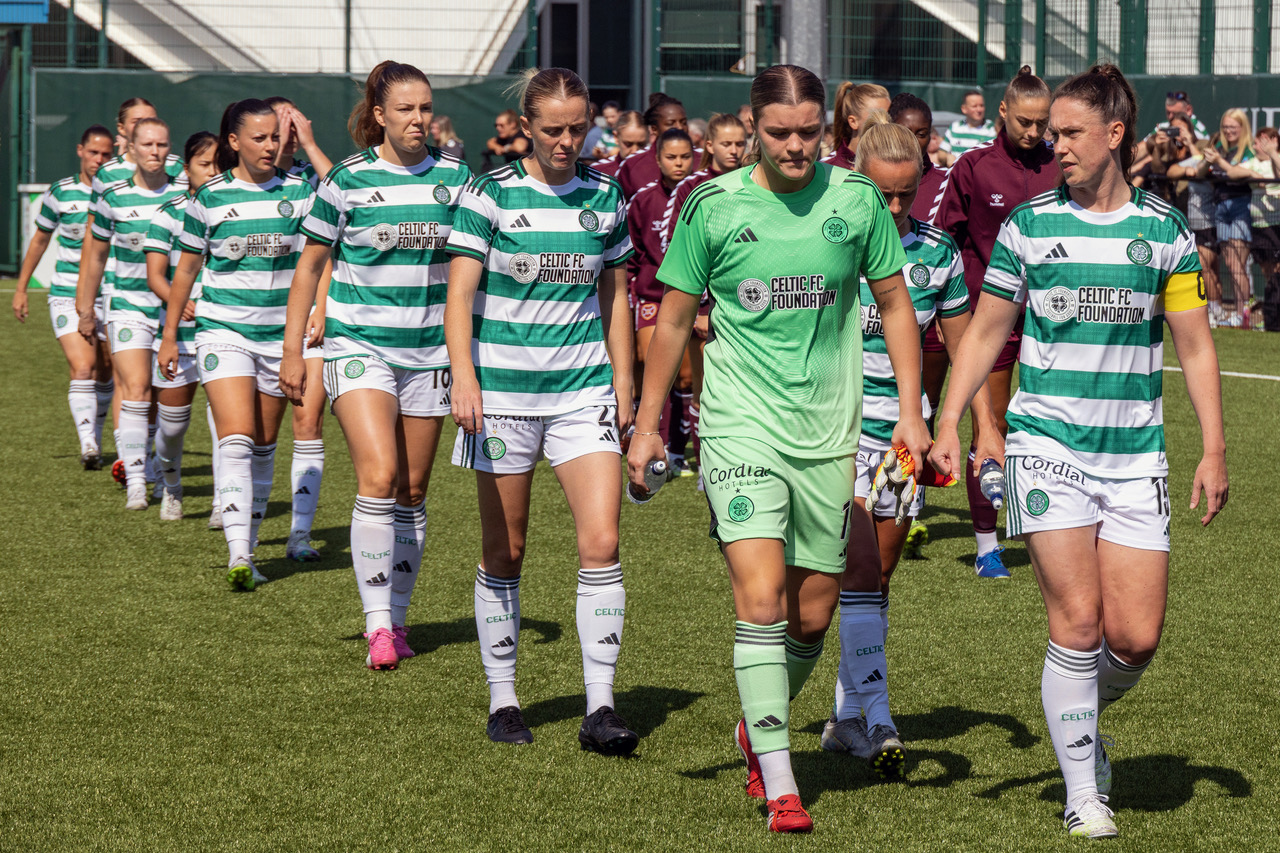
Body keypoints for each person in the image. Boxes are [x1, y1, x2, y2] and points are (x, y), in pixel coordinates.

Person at [630, 64, 930, 833]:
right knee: (760, 597)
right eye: (778, 133)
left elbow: (895, 304)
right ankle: (781, 778)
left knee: (812, 614)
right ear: (751, 126)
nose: (795, 147)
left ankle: (755, 725)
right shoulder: (712, 206)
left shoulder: (856, 200)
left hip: (828, 434)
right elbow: (672, 318)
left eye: (807, 132)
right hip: (739, 425)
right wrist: (648, 422)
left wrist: (911, 412)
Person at [931, 64, 1228, 840]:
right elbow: (986, 331)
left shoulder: (1164, 231)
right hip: (1046, 446)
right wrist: (949, 420)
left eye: (1069, 133)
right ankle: (1083, 791)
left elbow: (1195, 347)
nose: (1054, 145)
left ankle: (1081, 722)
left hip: (1135, 457)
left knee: (1134, 639)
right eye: (1051, 132)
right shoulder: (1029, 226)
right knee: (1078, 621)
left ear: (1114, 134)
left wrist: (1214, 447)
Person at [445, 67, 638, 755]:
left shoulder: (606, 196)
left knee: (602, 542)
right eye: (552, 129)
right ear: (526, 126)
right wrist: (463, 376)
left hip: (583, 393)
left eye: (577, 128)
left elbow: (615, 295)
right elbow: (458, 295)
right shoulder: (488, 194)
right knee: (508, 549)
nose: (566, 141)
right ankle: (504, 700)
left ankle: (600, 706)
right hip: (502, 397)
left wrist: (624, 381)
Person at [819, 116, 1002, 774]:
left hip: (903, 438)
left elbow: (964, 345)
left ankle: (846, 717)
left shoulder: (937, 254)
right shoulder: (825, 241)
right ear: (856, 179)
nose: (895, 207)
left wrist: (983, 425)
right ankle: (878, 717)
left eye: (906, 193)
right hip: (830, 434)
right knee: (854, 575)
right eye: (883, 193)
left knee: (878, 578)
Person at [282, 61, 470, 669]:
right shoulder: (347, 179)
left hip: (432, 353)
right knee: (381, 475)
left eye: (426, 108)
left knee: (412, 490)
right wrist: (293, 350)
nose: (419, 119)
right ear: (379, 115)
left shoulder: (458, 179)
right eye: (406, 109)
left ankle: (401, 616)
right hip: (359, 346)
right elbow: (310, 266)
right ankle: (378, 627)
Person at [157, 98, 317, 590]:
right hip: (222, 331)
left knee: (265, 445)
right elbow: (186, 270)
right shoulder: (207, 198)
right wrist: (169, 335)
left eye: (275, 137)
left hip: (282, 338)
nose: (270, 146)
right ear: (234, 141)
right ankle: (238, 555)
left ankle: (251, 541)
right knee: (238, 436)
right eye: (259, 138)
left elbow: (320, 260)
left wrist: (319, 313)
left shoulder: (301, 191)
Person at [935, 66, 1057, 579]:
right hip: (991, 316)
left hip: (1054, 317)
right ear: (1003, 112)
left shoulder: (1062, 164)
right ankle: (988, 546)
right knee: (993, 424)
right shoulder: (973, 167)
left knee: (1053, 424)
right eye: (1024, 121)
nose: (1034, 131)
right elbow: (946, 239)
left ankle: (1058, 527)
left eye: (1042, 122)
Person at [74, 117, 185, 510]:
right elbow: (96, 255)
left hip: (174, 310)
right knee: (136, 388)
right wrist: (85, 307)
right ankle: (137, 480)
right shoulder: (113, 196)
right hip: (128, 305)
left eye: (162, 145)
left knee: (165, 402)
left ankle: (157, 466)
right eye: (148, 144)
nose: (155, 152)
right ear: (132, 149)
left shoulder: (186, 194)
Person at [12, 125, 115, 470]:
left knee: (106, 372)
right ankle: (88, 445)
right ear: (80, 151)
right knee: (83, 366)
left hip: (110, 293)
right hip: (67, 292)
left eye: (106, 154)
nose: (99, 159)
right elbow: (40, 240)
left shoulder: (117, 192)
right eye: (93, 152)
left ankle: (95, 435)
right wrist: (22, 288)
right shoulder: (61, 192)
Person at [659, 112, 748, 477]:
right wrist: (700, 308)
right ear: (709, 145)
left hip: (747, 307)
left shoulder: (754, 181)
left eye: (740, 143)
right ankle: (705, 463)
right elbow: (678, 251)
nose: (734, 150)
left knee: (741, 391)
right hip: (704, 308)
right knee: (702, 387)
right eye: (726, 143)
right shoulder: (691, 188)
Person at [264, 95, 334, 561]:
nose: (286, 133)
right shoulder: (236, 181)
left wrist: (320, 306)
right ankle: (238, 509)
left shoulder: (314, 179)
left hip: (308, 317)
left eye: (294, 124)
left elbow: (348, 192)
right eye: (278, 127)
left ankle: (299, 535)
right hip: (252, 323)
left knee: (308, 420)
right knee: (258, 433)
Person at [142, 130, 219, 521]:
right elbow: (156, 275)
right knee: (171, 429)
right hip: (179, 335)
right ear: (187, 168)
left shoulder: (233, 205)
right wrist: (179, 302)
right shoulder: (168, 213)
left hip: (223, 330)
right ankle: (171, 486)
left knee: (228, 427)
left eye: (218, 164)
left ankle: (225, 501)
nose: (213, 171)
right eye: (204, 164)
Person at [625, 127, 694, 472]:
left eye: (685, 157)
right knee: (652, 363)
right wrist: (632, 288)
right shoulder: (642, 200)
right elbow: (632, 253)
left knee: (686, 377)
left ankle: (679, 449)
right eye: (671, 157)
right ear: (657, 159)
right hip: (652, 295)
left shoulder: (700, 193)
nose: (679, 163)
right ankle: (658, 442)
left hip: (690, 297)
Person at [1197, 110, 1256, 327]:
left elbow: (1234, 173)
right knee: (1230, 263)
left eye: (1233, 127)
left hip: (1241, 206)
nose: (1228, 131)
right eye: (1225, 127)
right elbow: (1200, 173)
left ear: (1242, 128)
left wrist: (1219, 161)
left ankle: (1244, 312)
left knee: (1237, 263)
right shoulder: (1220, 148)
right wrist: (1207, 160)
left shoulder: (1248, 151)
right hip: (1220, 207)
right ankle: (1239, 314)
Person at [1161, 121, 1223, 322]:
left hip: (1209, 221)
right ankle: (1215, 310)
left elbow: (1200, 168)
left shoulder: (1207, 153)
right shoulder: (1189, 156)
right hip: (1192, 223)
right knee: (1206, 269)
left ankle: (1216, 310)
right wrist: (1185, 169)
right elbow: (1171, 171)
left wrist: (1190, 145)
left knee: (1206, 268)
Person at [617, 93, 690, 198]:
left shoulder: (702, 160)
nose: (679, 127)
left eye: (684, 122)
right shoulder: (633, 165)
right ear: (654, 129)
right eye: (671, 123)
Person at [1246, 128, 1280, 331]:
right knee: (1271, 276)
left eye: (1264, 141)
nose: (1259, 146)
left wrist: (1273, 152)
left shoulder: (1275, 157)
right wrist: (1251, 173)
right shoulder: (1254, 162)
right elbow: (1233, 171)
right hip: (1261, 227)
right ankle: (1272, 319)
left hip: (1277, 225)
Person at [823, 82, 890, 169]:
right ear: (853, 122)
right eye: (876, 117)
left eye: (889, 117)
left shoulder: (895, 162)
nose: (886, 123)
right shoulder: (828, 168)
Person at [589, 110, 646, 177]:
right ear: (616, 137)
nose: (634, 151)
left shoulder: (654, 169)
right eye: (628, 144)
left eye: (641, 144)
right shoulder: (599, 171)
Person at [943, 90, 997, 155]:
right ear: (964, 109)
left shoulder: (993, 129)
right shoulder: (954, 127)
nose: (979, 110)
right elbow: (942, 152)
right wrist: (948, 157)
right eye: (974, 106)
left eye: (981, 105)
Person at [482, 108, 529, 172]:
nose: (498, 128)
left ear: (512, 124)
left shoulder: (521, 135)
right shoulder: (504, 138)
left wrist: (505, 149)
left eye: (501, 125)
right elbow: (490, 142)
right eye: (496, 125)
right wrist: (498, 148)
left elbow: (520, 147)